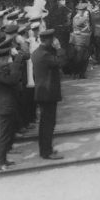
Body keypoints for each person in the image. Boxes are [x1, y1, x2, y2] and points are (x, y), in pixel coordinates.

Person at [32, 29, 65, 160]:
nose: (54, 42)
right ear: (47, 40)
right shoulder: (44, 55)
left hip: (43, 92)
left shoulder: (38, 52)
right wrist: (59, 47)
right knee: (47, 124)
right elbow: (61, 61)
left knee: (47, 123)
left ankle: (47, 149)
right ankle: (46, 152)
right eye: (52, 40)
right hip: (47, 93)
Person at [0, 39, 23, 171]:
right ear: (3, 58)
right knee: (3, 136)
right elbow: (13, 80)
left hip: (7, 106)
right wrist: (16, 64)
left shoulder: (1, 70)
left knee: (7, 134)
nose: (9, 61)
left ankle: (3, 159)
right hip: (5, 107)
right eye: (8, 58)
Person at [71, 2, 92, 78]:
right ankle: (75, 72)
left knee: (85, 58)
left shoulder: (86, 18)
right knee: (78, 59)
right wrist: (85, 17)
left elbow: (88, 29)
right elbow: (78, 23)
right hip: (78, 41)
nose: (83, 11)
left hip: (86, 41)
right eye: (81, 10)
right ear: (77, 10)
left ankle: (82, 73)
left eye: (84, 9)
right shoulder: (76, 17)